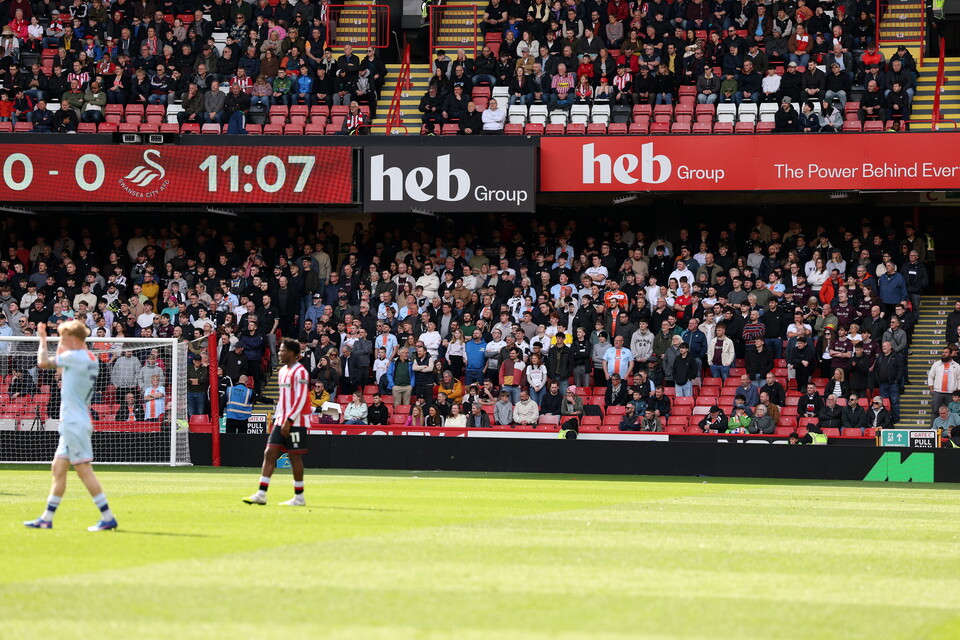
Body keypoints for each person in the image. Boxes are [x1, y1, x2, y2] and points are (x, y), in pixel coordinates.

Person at [25, 321, 118, 531]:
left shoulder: (73, 357)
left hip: (74, 421)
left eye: (64, 338)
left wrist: (42, 339)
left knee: (84, 470)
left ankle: (108, 516)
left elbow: (43, 363)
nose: (62, 342)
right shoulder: (91, 358)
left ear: (73, 339)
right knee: (58, 468)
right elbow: (62, 366)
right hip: (77, 419)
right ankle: (47, 518)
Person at [243, 338, 309, 507]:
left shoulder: (300, 371)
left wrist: (289, 420)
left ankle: (299, 497)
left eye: (282, 350)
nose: (279, 353)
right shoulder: (281, 371)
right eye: (279, 350)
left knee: (295, 457)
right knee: (269, 453)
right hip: (281, 420)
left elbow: (301, 398)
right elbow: (283, 399)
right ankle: (261, 493)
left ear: (292, 353)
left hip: (296, 421)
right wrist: (278, 417)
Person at [926, 347, 959, 419]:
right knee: (935, 411)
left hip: (951, 393)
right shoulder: (936, 364)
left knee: (952, 413)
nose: (943, 354)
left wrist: (958, 391)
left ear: (950, 354)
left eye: (946, 352)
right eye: (943, 352)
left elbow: (959, 379)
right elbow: (930, 376)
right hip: (938, 393)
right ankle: (933, 429)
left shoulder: (956, 366)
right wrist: (931, 389)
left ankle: (951, 429)